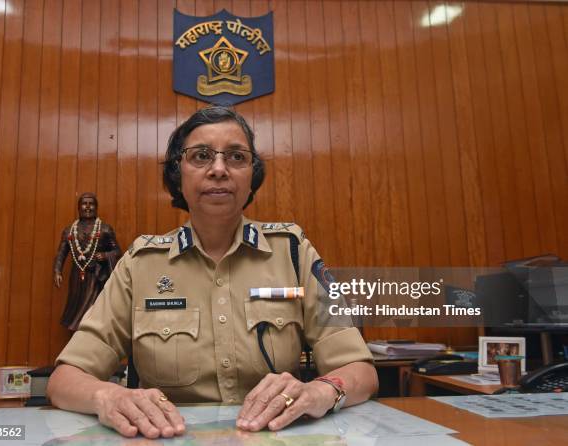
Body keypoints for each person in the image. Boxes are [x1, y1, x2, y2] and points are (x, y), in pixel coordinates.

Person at [47, 106, 378, 439]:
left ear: (252, 175)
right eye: (201, 156)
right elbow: (65, 380)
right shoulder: (141, 263)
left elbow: (360, 370)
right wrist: (109, 395)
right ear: (178, 174)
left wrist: (324, 390)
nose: (219, 169)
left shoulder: (292, 251)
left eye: (236, 157)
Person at [53, 193, 122, 331]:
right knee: (75, 308)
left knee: (94, 310)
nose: (88, 207)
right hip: (77, 277)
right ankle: (78, 333)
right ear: (79, 207)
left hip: (96, 277)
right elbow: (61, 253)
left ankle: (91, 334)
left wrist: (105, 255)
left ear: (96, 207)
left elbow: (117, 251)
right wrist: (57, 270)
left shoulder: (105, 229)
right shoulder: (69, 231)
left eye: (92, 204)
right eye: (84, 203)